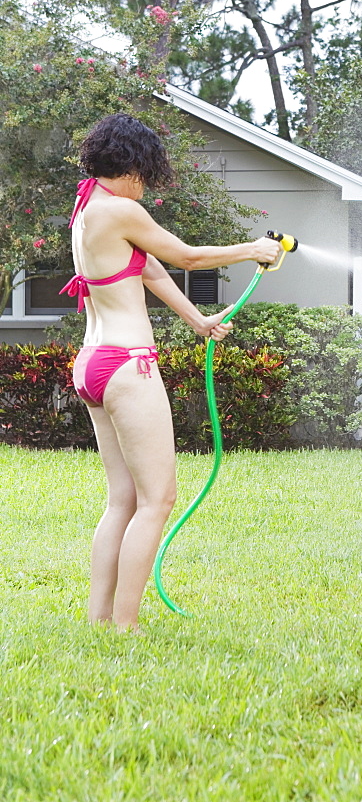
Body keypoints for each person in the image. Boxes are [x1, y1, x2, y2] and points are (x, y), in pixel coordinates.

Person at [61, 113, 281, 631]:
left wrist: (197, 319)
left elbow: (150, 266)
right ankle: (126, 625)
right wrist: (253, 248)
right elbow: (183, 255)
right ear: (134, 165)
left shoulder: (88, 204)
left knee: (124, 499)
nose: (147, 182)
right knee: (158, 499)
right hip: (127, 365)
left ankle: (101, 620)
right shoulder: (122, 208)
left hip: (92, 362)